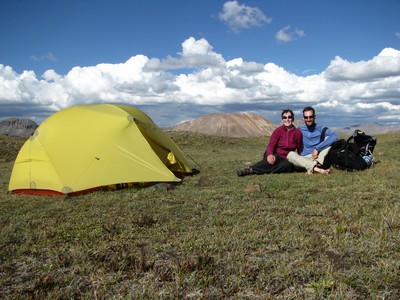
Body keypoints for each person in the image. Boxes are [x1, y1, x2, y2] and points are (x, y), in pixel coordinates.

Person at [237, 109, 303, 176]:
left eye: (289, 117)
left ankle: (258, 170)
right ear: (282, 120)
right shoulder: (278, 131)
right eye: (284, 117)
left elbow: (300, 148)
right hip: (276, 153)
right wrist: (270, 154)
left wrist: (301, 160)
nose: (287, 119)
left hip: (287, 157)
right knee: (271, 161)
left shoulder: (298, 133)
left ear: (293, 118)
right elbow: (271, 145)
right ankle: (250, 170)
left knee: (287, 166)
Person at [287, 106, 337, 175]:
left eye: (311, 117)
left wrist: (317, 148)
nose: (308, 119)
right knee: (290, 154)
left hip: (317, 158)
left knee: (329, 141)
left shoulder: (320, 128)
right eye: (306, 117)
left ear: (314, 116)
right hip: (303, 158)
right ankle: (316, 168)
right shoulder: (300, 129)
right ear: (303, 118)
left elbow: (334, 136)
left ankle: (313, 165)